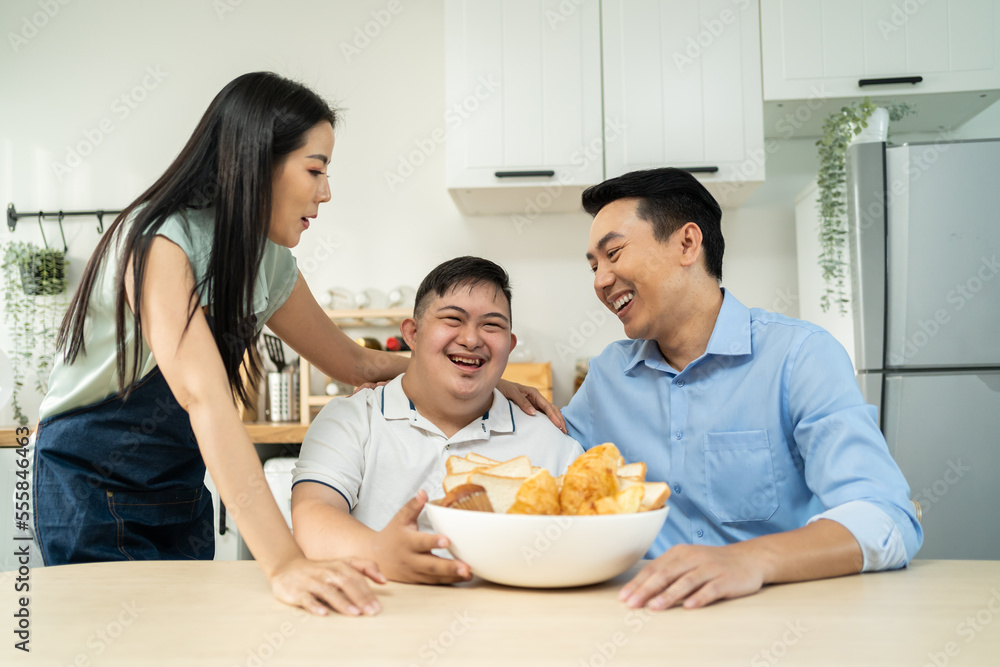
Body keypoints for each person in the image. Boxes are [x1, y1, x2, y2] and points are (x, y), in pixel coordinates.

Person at [30, 72, 561, 617]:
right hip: (93, 482)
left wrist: (486, 376)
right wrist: (284, 563)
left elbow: (353, 361)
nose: (325, 191)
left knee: (179, 635)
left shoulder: (268, 260)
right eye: (315, 169)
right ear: (255, 161)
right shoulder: (160, 242)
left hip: (178, 481)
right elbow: (204, 399)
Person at [563, 167, 923, 611]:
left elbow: (885, 517)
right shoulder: (607, 376)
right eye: (594, 265)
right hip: (646, 618)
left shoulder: (801, 356)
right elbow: (536, 461)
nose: (600, 280)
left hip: (782, 622)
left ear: (687, 244)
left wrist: (747, 560)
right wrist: (493, 377)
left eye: (613, 254)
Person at [290, 256, 584, 584]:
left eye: (492, 325)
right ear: (412, 334)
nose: (472, 339)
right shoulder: (352, 419)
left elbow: (585, 543)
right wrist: (380, 552)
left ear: (510, 346)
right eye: (453, 319)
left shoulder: (552, 442)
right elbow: (312, 518)